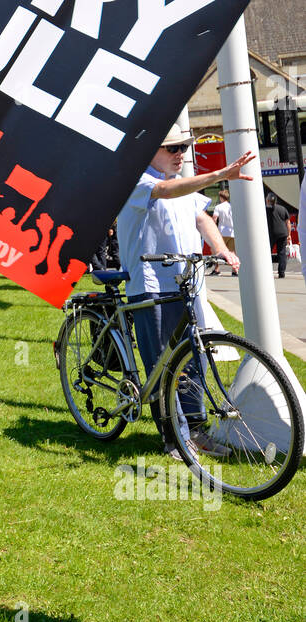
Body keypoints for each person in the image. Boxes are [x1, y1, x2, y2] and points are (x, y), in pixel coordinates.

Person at [116, 124, 255, 460]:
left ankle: (196, 429)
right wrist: (219, 174)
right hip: (152, 285)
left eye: (183, 148)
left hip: (183, 284)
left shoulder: (182, 185)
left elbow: (201, 217)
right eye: (173, 149)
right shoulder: (140, 181)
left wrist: (223, 250)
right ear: (151, 150)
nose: (181, 154)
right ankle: (173, 437)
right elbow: (164, 190)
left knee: (194, 359)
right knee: (162, 364)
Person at [266, 191, 291, 280]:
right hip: (283, 233)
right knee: (282, 253)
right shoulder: (282, 209)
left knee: (266, 253)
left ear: (268, 200)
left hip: (271, 234)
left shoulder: (265, 210)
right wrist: (289, 235)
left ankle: (266, 272)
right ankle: (281, 273)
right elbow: (288, 222)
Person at [210, 186, 236, 275]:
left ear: (221, 197)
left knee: (216, 251)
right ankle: (234, 270)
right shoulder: (232, 206)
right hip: (232, 233)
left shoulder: (218, 207)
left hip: (222, 232)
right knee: (232, 252)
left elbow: (214, 218)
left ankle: (216, 269)